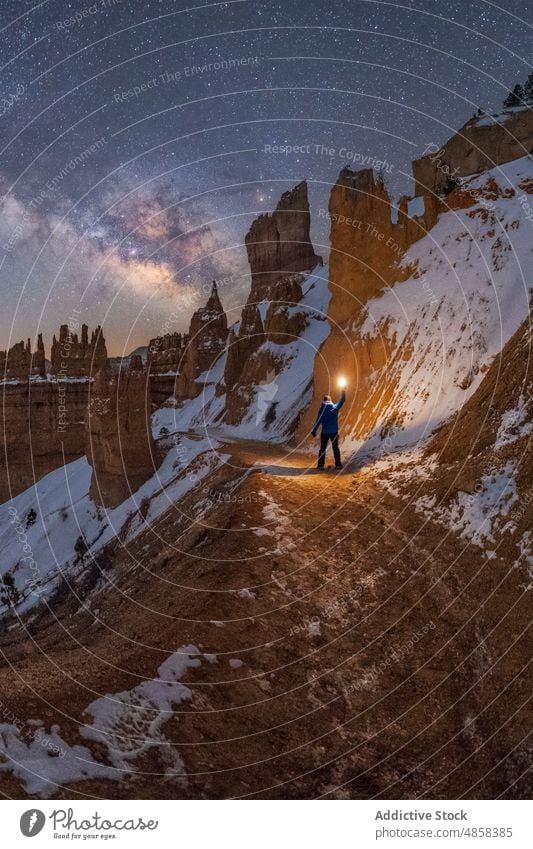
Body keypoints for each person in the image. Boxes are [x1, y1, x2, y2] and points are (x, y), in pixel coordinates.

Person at [311, 389, 346, 469]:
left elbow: (318, 421)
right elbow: (343, 400)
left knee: (322, 449)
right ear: (330, 400)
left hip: (325, 433)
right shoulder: (335, 407)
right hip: (334, 432)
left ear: (324, 401)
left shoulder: (321, 410)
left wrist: (314, 431)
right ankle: (338, 464)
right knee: (335, 447)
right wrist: (343, 390)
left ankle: (320, 466)